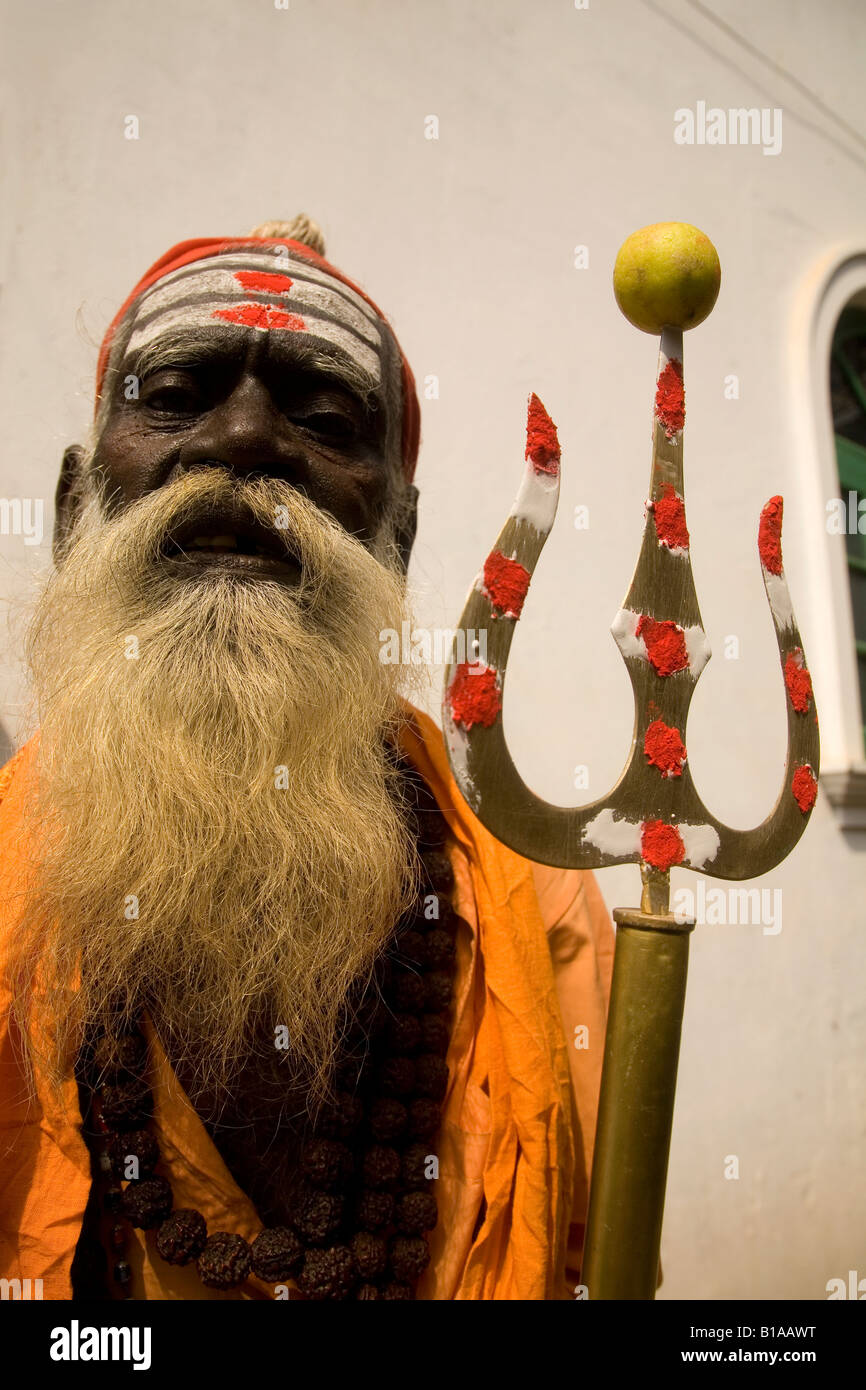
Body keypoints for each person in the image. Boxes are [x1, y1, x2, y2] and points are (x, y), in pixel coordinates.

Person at [0, 216, 614, 1301]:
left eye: (324, 419)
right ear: (72, 508)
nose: (241, 439)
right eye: (176, 396)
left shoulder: (540, 900)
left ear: (399, 539)